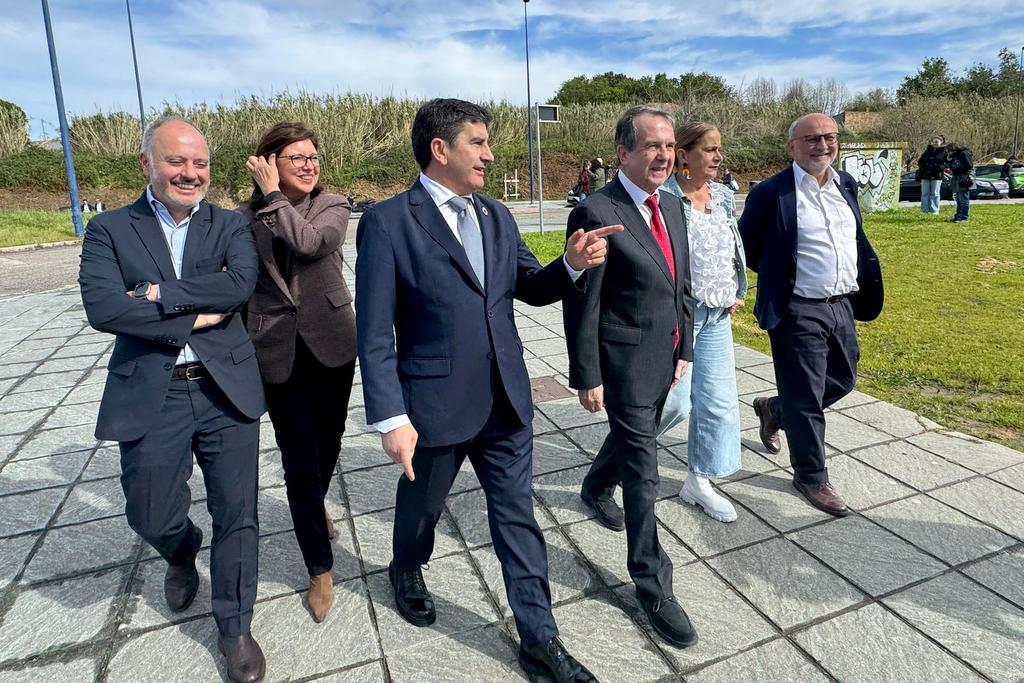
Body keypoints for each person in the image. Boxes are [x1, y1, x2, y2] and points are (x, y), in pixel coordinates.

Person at [355, 98, 618, 682]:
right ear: (440, 149)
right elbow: (373, 332)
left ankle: (540, 638)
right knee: (421, 509)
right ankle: (406, 566)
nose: (490, 154)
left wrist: (572, 264)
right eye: (478, 142)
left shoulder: (496, 215)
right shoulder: (388, 222)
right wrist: (390, 417)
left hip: (507, 399)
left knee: (518, 518)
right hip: (434, 404)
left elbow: (531, 286)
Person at [78, 116, 267, 683]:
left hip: (225, 389)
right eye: (176, 161)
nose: (190, 173)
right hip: (152, 391)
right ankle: (182, 549)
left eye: (200, 163)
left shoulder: (229, 225)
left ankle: (235, 627)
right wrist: (193, 318)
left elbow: (238, 285)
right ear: (146, 163)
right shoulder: (110, 229)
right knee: (148, 511)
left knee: (238, 513)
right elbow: (104, 308)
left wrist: (154, 294)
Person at [562, 104, 698, 649]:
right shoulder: (597, 210)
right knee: (645, 474)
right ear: (623, 153)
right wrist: (586, 373)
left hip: (665, 355)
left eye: (669, 146)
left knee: (633, 438)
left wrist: (685, 346)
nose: (664, 155)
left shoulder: (673, 204)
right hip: (622, 364)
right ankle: (652, 583)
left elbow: (681, 280)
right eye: (651, 146)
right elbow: (584, 300)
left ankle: (595, 485)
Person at [237, 122, 355, 623]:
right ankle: (319, 568)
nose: (309, 165)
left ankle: (315, 501)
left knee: (329, 443)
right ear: (269, 162)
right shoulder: (241, 219)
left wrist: (272, 197)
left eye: (313, 157)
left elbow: (310, 243)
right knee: (298, 460)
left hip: (332, 343)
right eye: (297, 158)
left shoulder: (332, 205)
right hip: (275, 349)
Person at [739, 113, 883, 518]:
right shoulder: (772, 192)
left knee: (844, 379)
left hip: (842, 304)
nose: (823, 145)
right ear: (792, 147)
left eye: (829, 137)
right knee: (806, 397)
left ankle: (775, 409)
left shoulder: (846, 184)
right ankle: (811, 476)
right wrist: (782, 277)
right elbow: (746, 246)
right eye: (812, 139)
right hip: (798, 307)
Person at [657, 121, 747, 523]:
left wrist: (735, 287)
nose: (718, 157)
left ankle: (699, 479)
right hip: (680, 316)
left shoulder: (723, 196)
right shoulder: (664, 198)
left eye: (719, 149)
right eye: (710, 149)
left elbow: (729, 247)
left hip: (716, 316)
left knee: (719, 403)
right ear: (684, 154)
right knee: (674, 402)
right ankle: (618, 459)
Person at [915, 135, 946, 214]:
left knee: (935, 194)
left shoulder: (944, 152)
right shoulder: (927, 151)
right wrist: (924, 167)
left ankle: (934, 210)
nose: (935, 143)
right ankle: (924, 210)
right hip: (925, 175)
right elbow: (920, 161)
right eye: (933, 142)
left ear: (941, 142)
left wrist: (939, 168)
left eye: (937, 142)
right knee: (925, 194)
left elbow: (946, 163)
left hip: (937, 176)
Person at [947, 143, 973, 223]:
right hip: (957, 177)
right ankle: (958, 216)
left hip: (963, 177)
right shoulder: (955, 156)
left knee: (963, 199)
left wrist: (959, 169)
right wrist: (949, 159)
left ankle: (964, 217)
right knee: (958, 199)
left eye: (949, 151)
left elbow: (969, 165)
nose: (948, 152)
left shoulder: (963, 154)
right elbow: (950, 167)